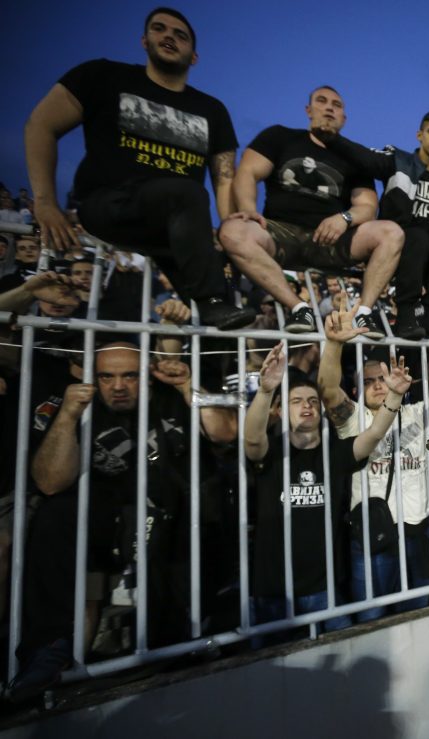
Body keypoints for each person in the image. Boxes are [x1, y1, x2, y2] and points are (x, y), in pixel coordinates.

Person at [10, 342, 237, 701]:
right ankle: (49, 647)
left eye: (129, 375)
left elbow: (225, 433)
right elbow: (50, 481)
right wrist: (69, 416)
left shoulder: (171, 396)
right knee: (55, 516)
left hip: (171, 514)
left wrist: (185, 386)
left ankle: (172, 643)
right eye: (107, 377)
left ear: (146, 373)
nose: (118, 386)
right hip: (105, 520)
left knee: (178, 511)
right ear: (93, 378)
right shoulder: (82, 406)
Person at [23, 8, 253, 330]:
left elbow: (224, 177)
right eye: (160, 29)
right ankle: (212, 301)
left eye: (180, 34)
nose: (169, 36)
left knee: (229, 315)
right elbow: (40, 125)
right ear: (145, 40)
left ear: (195, 56)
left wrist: (229, 228)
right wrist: (45, 201)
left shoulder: (212, 110)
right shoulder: (103, 76)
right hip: (109, 205)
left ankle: (210, 323)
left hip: (173, 222)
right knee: (185, 194)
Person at [317, 311, 429, 621]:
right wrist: (333, 345)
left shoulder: (416, 413)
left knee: (419, 616)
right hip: (373, 537)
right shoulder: (353, 418)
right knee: (370, 618)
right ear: (358, 390)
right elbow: (327, 389)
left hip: (418, 532)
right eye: (369, 381)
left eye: (381, 377)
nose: (378, 385)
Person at [242, 312, 409, 642]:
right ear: (283, 410)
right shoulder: (272, 452)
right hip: (274, 591)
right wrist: (265, 391)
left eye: (312, 401)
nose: (306, 406)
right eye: (296, 401)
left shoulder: (335, 451)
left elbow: (374, 434)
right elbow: (251, 439)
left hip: (325, 590)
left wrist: (394, 397)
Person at [218, 85, 403, 336]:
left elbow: (368, 206)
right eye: (322, 101)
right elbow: (248, 172)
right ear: (308, 110)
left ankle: (363, 314)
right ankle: (298, 307)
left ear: (344, 118)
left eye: (337, 105)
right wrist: (249, 210)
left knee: (391, 232)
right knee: (233, 231)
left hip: (334, 239)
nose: (329, 108)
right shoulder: (280, 136)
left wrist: (344, 218)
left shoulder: (354, 156)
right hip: (281, 232)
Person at [324, 111, 429, 340]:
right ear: (420, 135)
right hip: (399, 247)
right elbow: (363, 157)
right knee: (417, 236)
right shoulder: (398, 160)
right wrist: (333, 138)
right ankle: (406, 315)